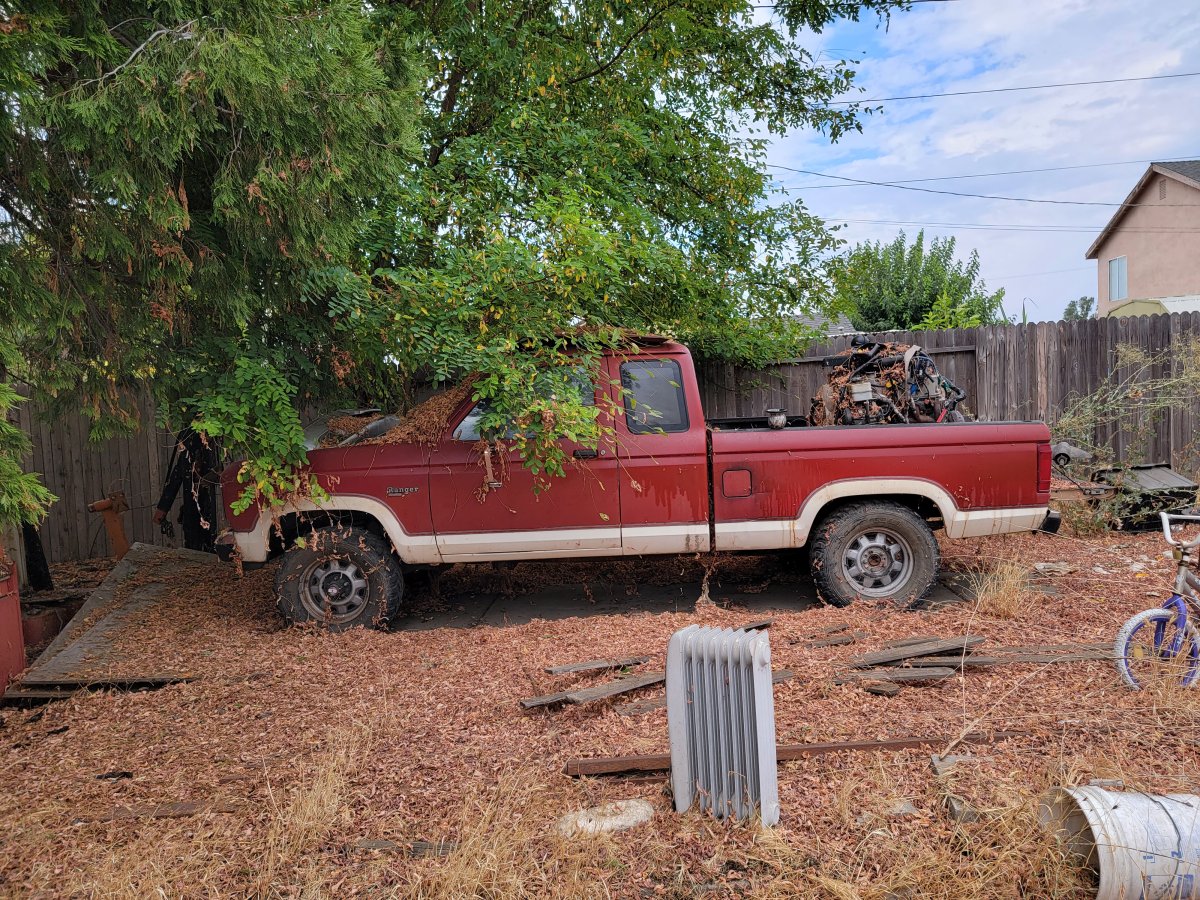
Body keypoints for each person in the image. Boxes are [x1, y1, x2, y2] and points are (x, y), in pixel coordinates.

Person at [153, 425, 220, 553]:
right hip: (194, 504)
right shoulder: (191, 445)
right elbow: (180, 471)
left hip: (202, 502)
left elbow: (179, 472)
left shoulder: (201, 443)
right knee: (195, 533)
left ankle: (202, 549)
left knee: (202, 534)